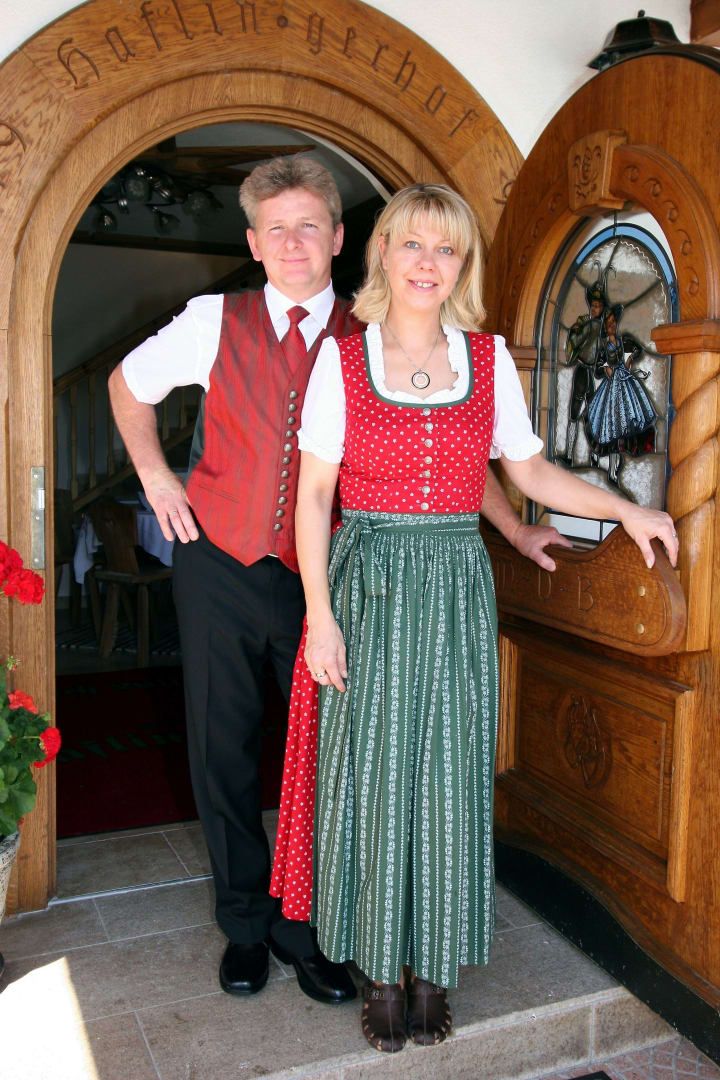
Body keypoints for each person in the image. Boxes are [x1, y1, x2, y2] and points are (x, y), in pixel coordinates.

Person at [108, 159, 564, 1005]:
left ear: (341, 237)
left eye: (309, 225)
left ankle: (309, 929)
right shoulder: (214, 319)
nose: (293, 243)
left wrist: (511, 526)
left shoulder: (383, 323)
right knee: (222, 750)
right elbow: (125, 387)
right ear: (253, 242)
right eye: (275, 228)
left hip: (339, 579)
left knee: (330, 759)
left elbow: (456, 450)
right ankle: (246, 926)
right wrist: (157, 476)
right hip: (222, 563)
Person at [269, 183, 678, 1053]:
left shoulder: (487, 360)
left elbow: (528, 472)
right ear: (382, 253)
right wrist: (320, 617)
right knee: (375, 772)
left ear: (462, 265)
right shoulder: (343, 362)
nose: (428, 263)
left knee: (449, 771)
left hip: (456, 583)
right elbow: (312, 497)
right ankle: (382, 972)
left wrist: (625, 509)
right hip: (369, 585)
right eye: (412, 244)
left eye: (446, 248)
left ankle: (435, 969)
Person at [586, 304, 657, 486]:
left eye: (613, 322)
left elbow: (637, 350)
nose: (612, 326)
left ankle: (614, 470)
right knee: (607, 424)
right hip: (611, 388)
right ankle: (602, 461)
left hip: (625, 383)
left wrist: (629, 358)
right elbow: (598, 367)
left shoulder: (622, 341)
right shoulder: (604, 346)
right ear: (605, 326)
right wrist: (606, 367)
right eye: (608, 323)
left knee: (623, 425)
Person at [561, 281, 606, 467]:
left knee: (579, 413)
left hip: (587, 372)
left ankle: (574, 455)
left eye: (598, 306)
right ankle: (589, 456)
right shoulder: (598, 326)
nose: (595, 309)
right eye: (593, 305)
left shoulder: (592, 325)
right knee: (587, 413)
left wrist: (575, 330)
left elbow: (576, 340)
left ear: (602, 308)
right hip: (586, 372)